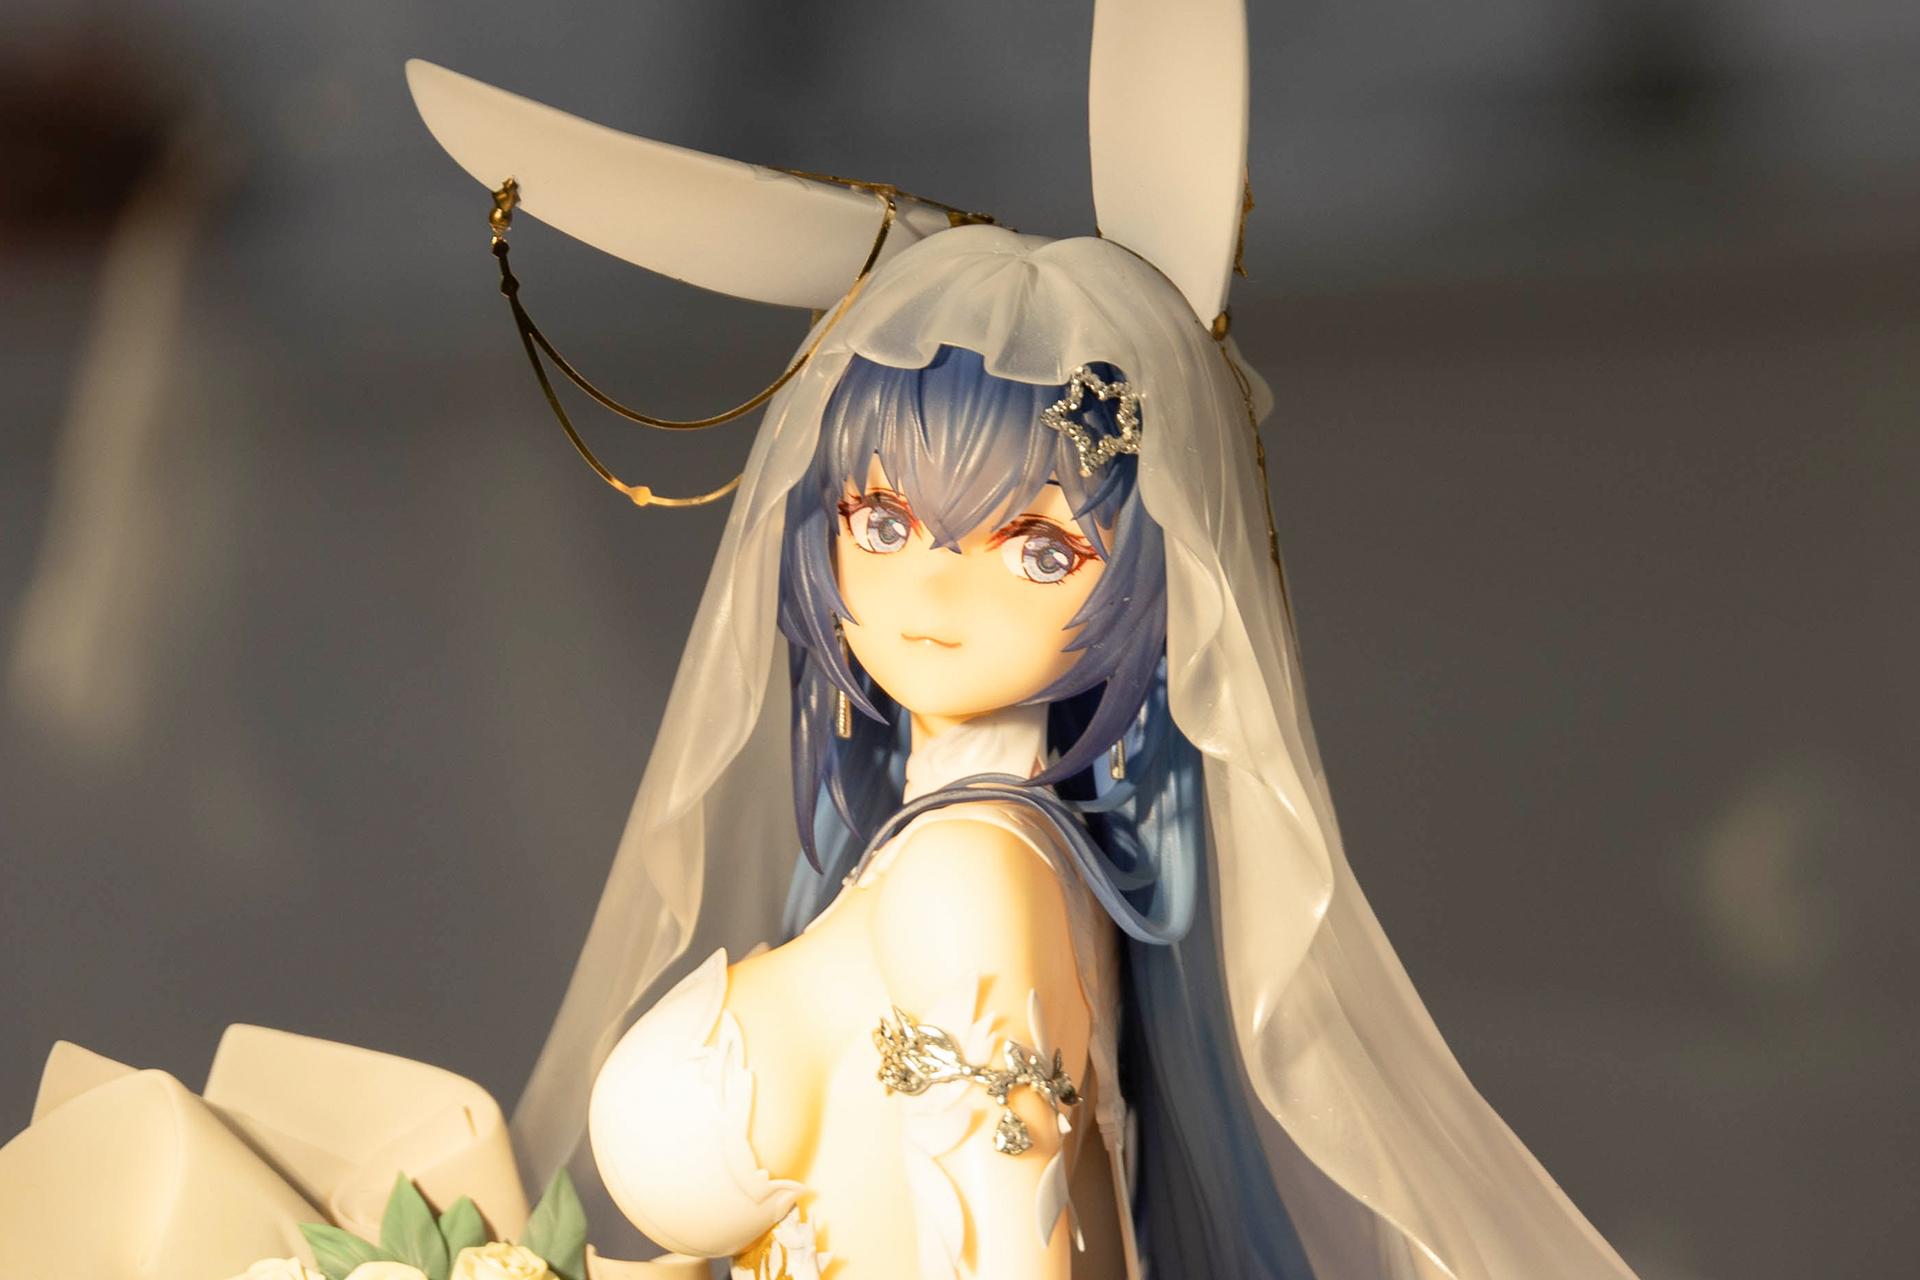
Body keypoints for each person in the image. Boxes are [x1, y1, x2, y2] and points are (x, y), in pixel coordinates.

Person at [403, 3, 1650, 1277]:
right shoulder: (983, 852)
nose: (933, 588)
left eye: (1038, 549)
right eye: (882, 521)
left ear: (1154, 575)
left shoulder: (970, 874)